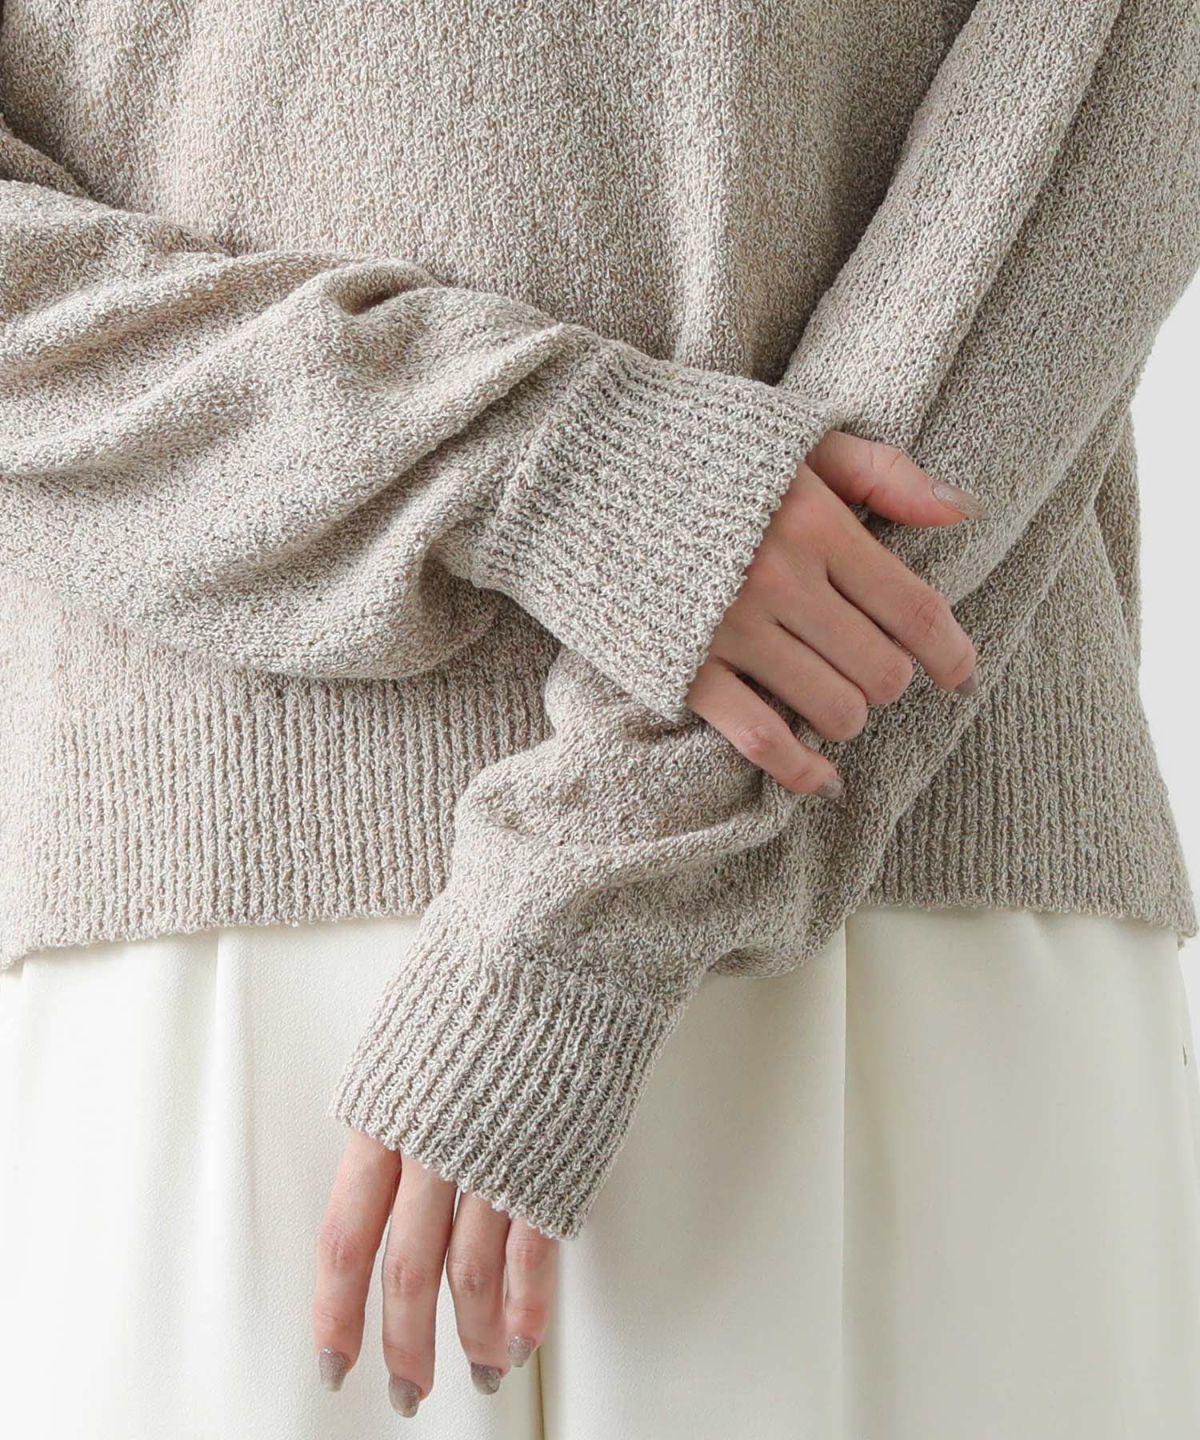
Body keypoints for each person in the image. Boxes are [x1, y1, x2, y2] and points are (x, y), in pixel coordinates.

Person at [2, 1, 1199, 1437]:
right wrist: (543, 459)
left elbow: (1118, 74)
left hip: (891, 861)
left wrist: (630, 835)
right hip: (223, 895)